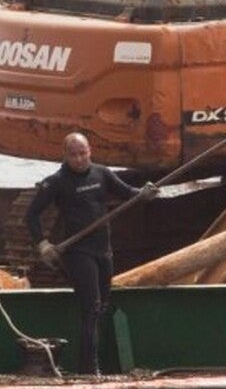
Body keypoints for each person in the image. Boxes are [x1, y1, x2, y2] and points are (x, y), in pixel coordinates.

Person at [25, 132, 155, 375]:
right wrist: (42, 244)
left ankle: (98, 364)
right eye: (73, 155)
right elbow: (31, 215)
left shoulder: (102, 173)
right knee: (91, 307)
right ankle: (89, 369)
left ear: (90, 150)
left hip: (103, 249)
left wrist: (144, 193)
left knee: (102, 306)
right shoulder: (56, 182)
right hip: (77, 251)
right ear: (65, 155)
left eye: (83, 153)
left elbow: (128, 193)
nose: (79, 159)